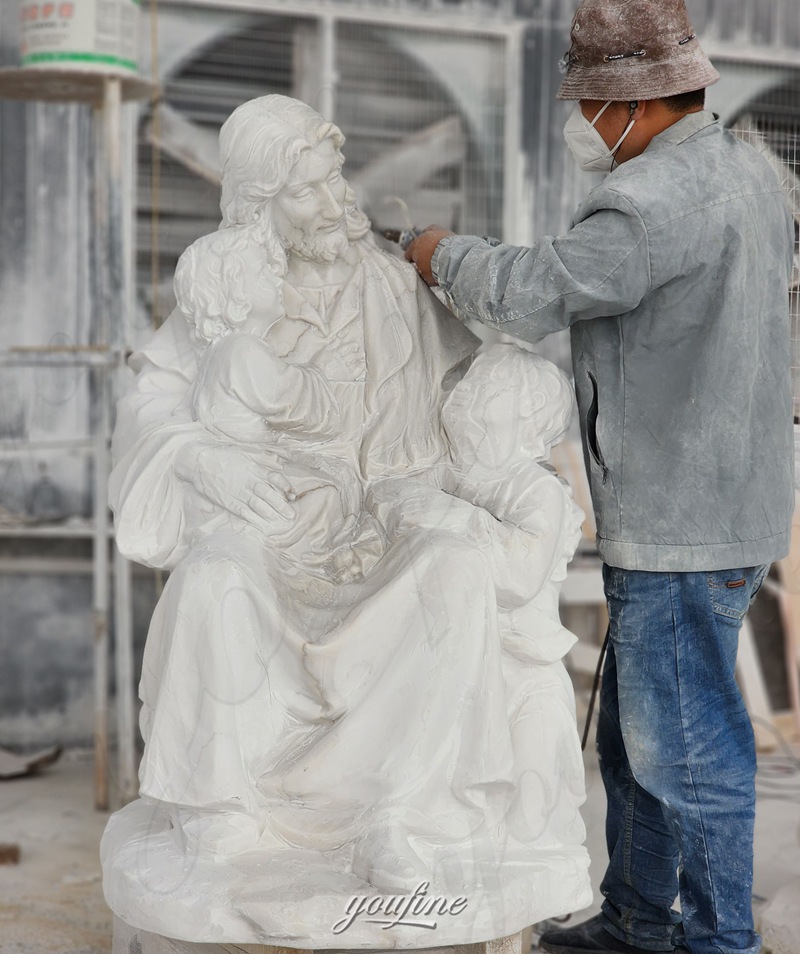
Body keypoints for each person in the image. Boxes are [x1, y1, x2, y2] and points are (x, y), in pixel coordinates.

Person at [102, 95, 592, 943]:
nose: (335, 205)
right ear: (259, 207)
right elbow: (154, 405)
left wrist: (511, 472)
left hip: (390, 518)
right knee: (216, 582)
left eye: (335, 180)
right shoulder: (228, 285)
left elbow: (495, 383)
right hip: (274, 519)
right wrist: (197, 456)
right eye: (307, 193)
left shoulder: (399, 285)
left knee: (453, 568)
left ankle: (397, 814)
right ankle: (222, 819)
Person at [405, 2, 795, 954]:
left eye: (592, 106)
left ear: (639, 105)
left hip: (679, 523)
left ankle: (715, 942)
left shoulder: (650, 202)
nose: (586, 127)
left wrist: (436, 254)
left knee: (685, 757)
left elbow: (534, 290)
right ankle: (635, 919)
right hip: (725, 508)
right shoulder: (750, 171)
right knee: (638, 740)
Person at [175, 225, 382, 578]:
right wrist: (319, 369)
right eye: (263, 269)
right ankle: (315, 566)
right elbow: (303, 408)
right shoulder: (241, 351)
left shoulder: (218, 355)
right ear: (236, 293)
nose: (278, 274)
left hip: (255, 471)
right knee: (326, 498)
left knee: (328, 489)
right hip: (254, 484)